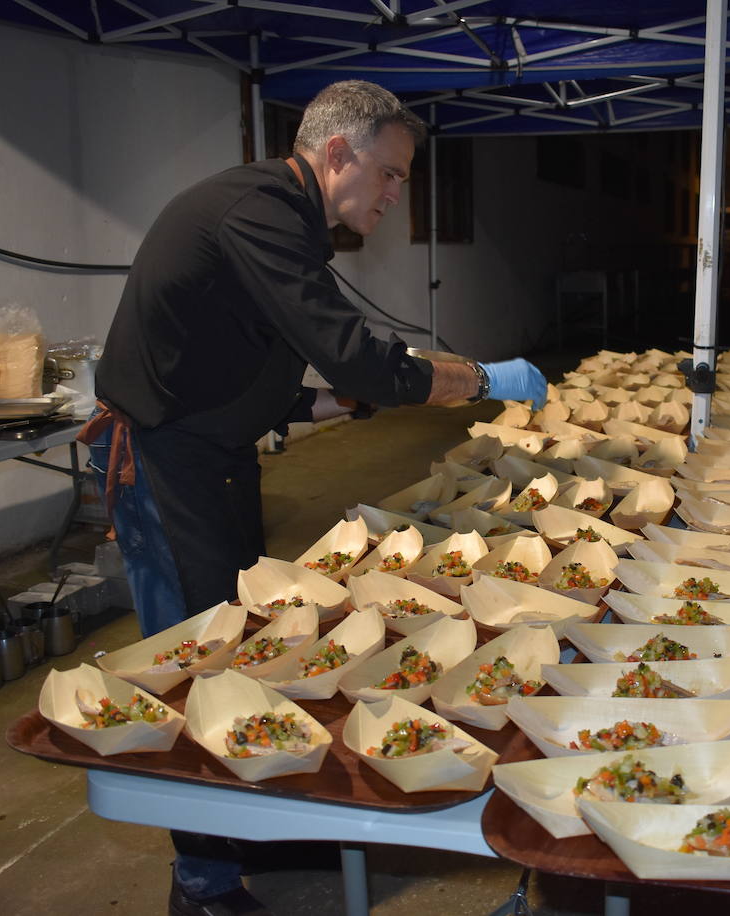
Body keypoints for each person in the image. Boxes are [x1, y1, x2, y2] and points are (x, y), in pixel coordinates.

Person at [81, 80, 547, 916]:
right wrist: (479, 376)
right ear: (337, 155)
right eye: (393, 175)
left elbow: (245, 367)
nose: (398, 197)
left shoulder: (284, 223)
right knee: (197, 666)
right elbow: (358, 357)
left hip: (209, 454)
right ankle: (204, 881)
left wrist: (337, 402)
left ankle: (260, 826)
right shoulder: (257, 213)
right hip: (159, 464)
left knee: (245, 642)